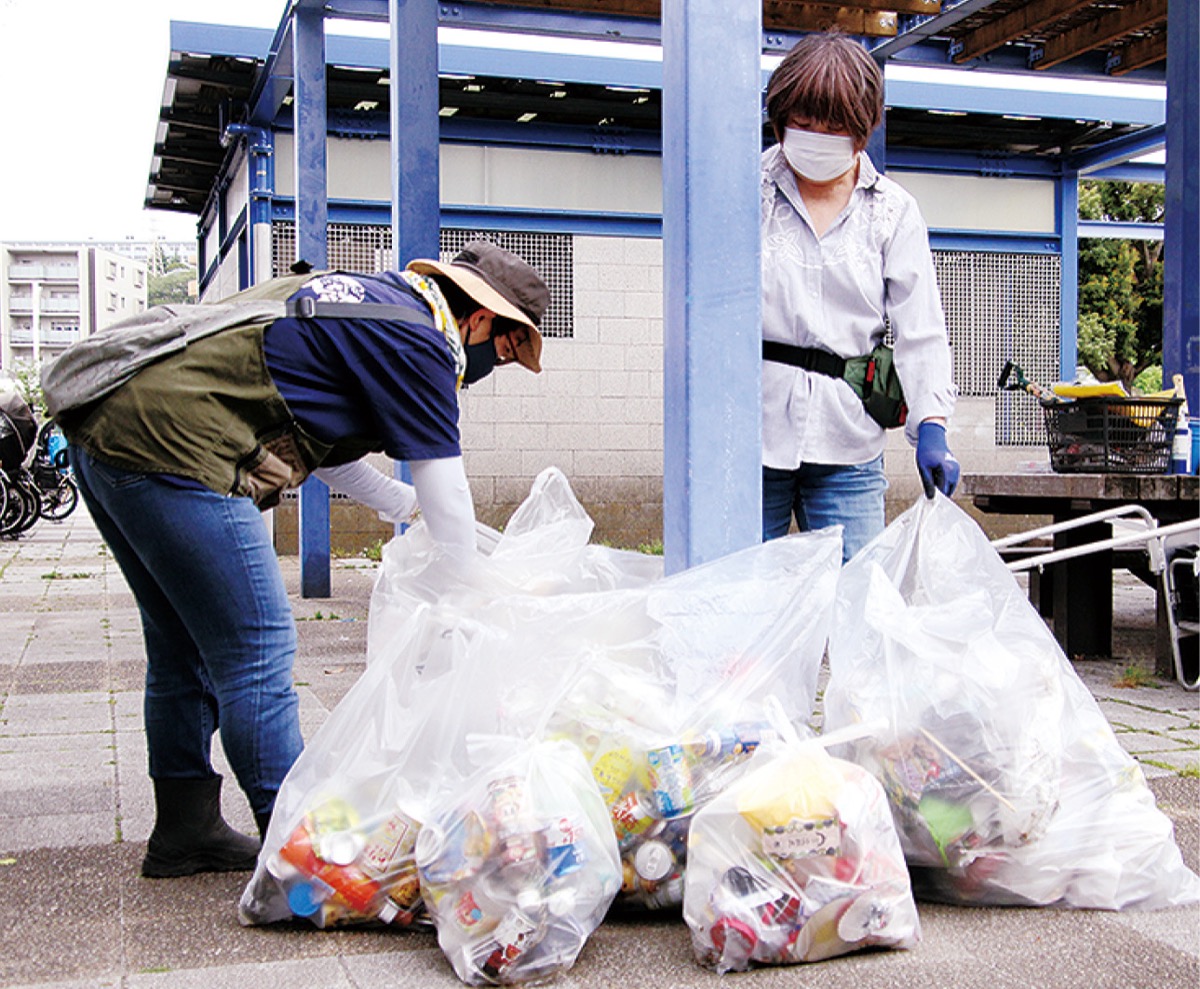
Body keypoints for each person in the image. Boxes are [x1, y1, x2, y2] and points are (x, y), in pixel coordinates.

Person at [50, 240, 550, 878]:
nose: (494, 364)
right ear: (479, 318)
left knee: (181, 650)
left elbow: (333, 451)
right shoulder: (420, 339)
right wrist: (477, 600)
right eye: (505, 349)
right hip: (177, 448)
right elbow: (446, 486)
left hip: (113, 433)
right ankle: (306, 862)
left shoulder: (371, 305)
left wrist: (406, 507)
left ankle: (186, 828)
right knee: (257, 649)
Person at [760, 31, 960, 561]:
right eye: (803, 123)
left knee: (859, 608)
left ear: (864, 127)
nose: (816, 137)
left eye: (833, 127)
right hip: (752, 439)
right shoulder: (745, 191)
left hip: (849, 443)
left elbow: (921, 332)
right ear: (779, 118)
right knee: (737, 609)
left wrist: (933, 426)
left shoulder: (891, 212)